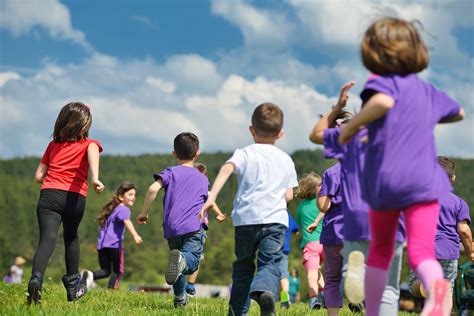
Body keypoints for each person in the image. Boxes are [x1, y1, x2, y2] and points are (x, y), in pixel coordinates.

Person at [338, 17, 465, 316]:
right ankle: (436, 286)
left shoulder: (382, 82)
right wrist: (428, 114)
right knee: (420, 251)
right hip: (427, 182)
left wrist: (353, 125)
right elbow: (458, 112)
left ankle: (372, 310)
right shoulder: (428, 91)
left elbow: (382, 103)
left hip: (389, 182)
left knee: (381, 251)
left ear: (374, 54)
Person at [309, 81, 406, 315]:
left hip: (352, 223)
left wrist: (338, 107)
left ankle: (355, 275)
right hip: (389, 224)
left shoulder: (349, 141)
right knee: (388, 288)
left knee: (334, 276)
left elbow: (315, 135)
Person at [199, 103, 298, 316]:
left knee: (243, 267)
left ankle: (237, 312)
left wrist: (212, 196)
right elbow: (289, 195)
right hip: (275, 221)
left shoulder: (244, 153)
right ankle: (263, 291)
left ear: (251, 129)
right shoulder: (286, 160)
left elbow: (227, 168)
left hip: (246, 221)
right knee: (269, 263)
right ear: (280, 134)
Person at [26, 102, 105, 305]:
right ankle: (72, 289)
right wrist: (95, 178)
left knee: (47, 239)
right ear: (84, 124)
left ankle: (36, 278)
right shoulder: (90, 143)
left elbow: (38, 176)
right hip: (74, 196)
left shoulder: (52, 145)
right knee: (71, 237)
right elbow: (93, 157)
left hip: (49, 195)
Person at [137, 132, 209, 308]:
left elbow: (153, 189)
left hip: (172, 227)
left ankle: (179, 298)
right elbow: (206, 201)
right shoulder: (202, 177)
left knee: (176, 264)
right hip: (193, 226)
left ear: (174, 154)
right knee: (189, 262)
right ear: (197, 153)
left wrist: (143, 212)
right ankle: (183, 260)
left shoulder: (170, 172)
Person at [409, 156, 473, 311]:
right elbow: (464, 231)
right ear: (452, 179)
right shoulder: (458, 203)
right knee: (447, 291)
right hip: (448, 252)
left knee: (413, 286)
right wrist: (470, 251)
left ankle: (426, 285)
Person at [89, 182, 143, 289]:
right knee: (119, 270)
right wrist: (135, 235)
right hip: (114, 245)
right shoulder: (124, 209)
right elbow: (127, 222)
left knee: (105, 271)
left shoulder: (114, 210)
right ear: (121, 197)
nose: (133, 197)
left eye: (134, 195)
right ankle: (111, 290)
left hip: (102, 245)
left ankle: (89, 275)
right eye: (130, 195)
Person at [185, 162, 227, 296]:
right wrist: (219, 214)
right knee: (196, 254)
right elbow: (210, 200)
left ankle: (188, 283)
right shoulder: (200, 185)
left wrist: (219, 213)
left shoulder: (189, 186)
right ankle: (190, 284)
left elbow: (210, 201)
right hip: (197, 224)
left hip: (188, 223)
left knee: (188, 253)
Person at [295, 172, 326, 310]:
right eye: (320, 185)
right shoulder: (324, 203)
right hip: (326, 244)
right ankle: (325, 296)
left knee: (312, 273)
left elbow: (297, 226)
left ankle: (314, 300)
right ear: (315, 189)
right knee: (319, 272)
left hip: (311, 246)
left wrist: (295, 232)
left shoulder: (301, 207)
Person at [279, 212, 299, 309]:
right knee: (283, 274)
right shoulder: (288, 215)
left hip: (270, 247)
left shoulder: (271, 211)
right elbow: (296, 231)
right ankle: (285, 298)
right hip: (284, 248)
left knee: (269, 271)